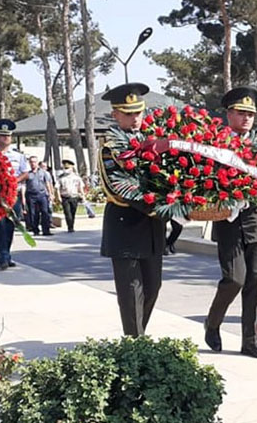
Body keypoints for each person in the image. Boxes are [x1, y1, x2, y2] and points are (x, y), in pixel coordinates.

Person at [204, 86, 257, 359]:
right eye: (241, 113)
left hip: (256, 221)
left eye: (250, 114)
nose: (246, 119)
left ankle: (250, 340)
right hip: (228, 222)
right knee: (234, 279)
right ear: (229, 114)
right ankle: (213, 321)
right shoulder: (215, 145)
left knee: (255, 282)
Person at [99, 82, 166, 337]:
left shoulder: (154, 141)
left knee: (153, 288)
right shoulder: (110, 147)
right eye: (128, 113)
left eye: (138, 112)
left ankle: (138, 335)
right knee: (131, 293)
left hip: (152, 229)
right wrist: (158, 206)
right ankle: (135, 343)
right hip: (125, 226)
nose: (135, 118)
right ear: (115, 114)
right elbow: (117, 187)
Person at [0, 119, 29, 270]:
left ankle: (6, 254)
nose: (5, 138)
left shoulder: (18, 156)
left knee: (11, 225)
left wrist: (14, 180)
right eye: (2, 135)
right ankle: (3, 256)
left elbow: (25, 173)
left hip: (13, 194)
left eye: (8, 135)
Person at [26, 156, 55, 236]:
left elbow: (47, 183)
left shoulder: (43, 172)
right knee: (33, 213)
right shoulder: (27, 174)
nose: (33, 164)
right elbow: (24, 185)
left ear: (37, 163)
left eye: (34, 162)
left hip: (42, 194)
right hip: (31, 195)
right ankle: (35, 230)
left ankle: (46, 230)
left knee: (45, 212)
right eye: (31, 162)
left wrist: (50, 194)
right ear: (29, 163)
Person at [57, 159, 85, 232]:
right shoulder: (61, 177)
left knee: (73, 213)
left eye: (67, 168)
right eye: (64, 168)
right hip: (65, 197)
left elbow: (80, 187)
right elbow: (57, 188)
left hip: (74, 197)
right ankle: (70, 227)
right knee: (67, 213)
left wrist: (83, 196)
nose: (65, 170)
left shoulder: (76, 177)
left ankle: (71, 225)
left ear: (71, 168)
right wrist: (59, 197)